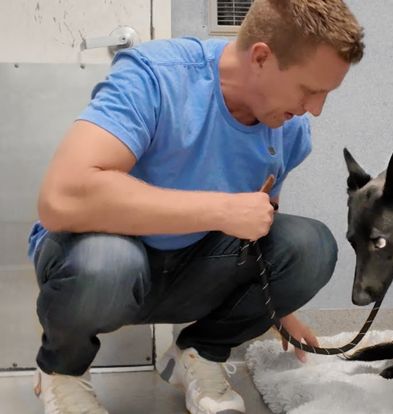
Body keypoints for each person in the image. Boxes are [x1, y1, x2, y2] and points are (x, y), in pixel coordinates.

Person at [27, 0, 364, 413]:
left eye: (326, 94)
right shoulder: (156, 76)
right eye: (309, 90)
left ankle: (199, 356)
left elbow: (259, 221)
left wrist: (279, 306)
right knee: (107, 260)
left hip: (191, 269)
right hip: (102, 265)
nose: (315, 108)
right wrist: (219, 210)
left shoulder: (290, 126)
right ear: (261, 57)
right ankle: (62, 371)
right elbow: (62, 197)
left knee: (310, 246)